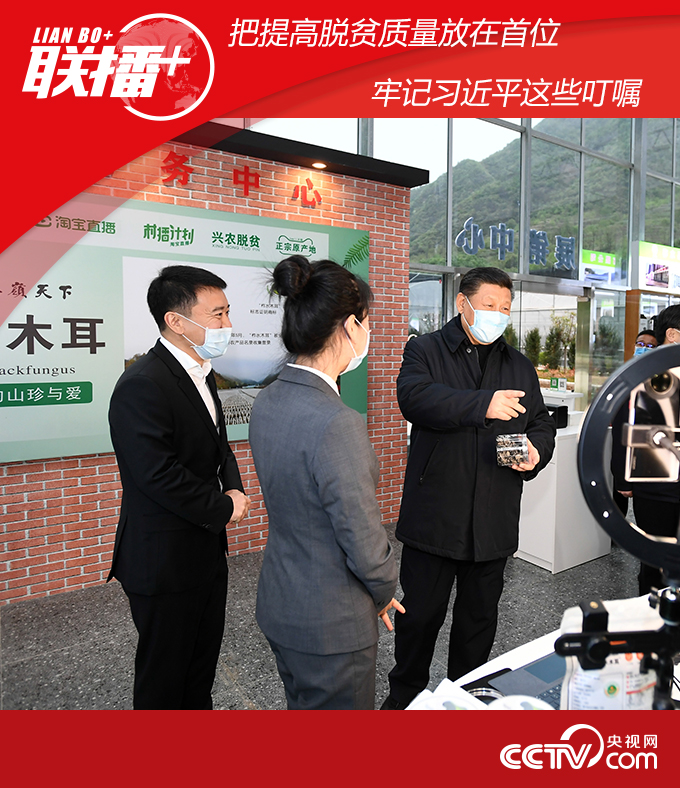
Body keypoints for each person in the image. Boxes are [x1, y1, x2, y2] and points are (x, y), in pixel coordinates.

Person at [382, 266, 556, 709]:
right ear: (463, 304)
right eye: (489, 305)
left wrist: (536, 450)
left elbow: (540, 423)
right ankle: (403, 700)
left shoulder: (518, 364)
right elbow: (414, 399)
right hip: (435, 517)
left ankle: (464, 701)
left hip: (493, 518)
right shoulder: (425, 349)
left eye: (505, 308)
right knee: (419, 620)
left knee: (478, 623)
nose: (498, 315)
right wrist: (483, 404)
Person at [249, 255, 402, 710]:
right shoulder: (338, 422)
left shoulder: (268, 398)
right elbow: (361, 534)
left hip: (282, 601)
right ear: (351, 326)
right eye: (367, 322)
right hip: (331, 624)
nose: (368, 332)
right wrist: (385, 590)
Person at [108, 265, 250, 709]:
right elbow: (157, 475)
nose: (227, 324)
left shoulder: (202, 372)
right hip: (163, 561)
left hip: (205, 551)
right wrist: (223, 507)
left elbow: (220, 446)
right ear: (176, 321)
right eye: (217, 314)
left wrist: (236, 490)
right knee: (164, 680)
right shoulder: (142, 384)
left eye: (227, 312)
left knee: (199, 669)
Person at [612, 307, 680, 594]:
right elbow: (623, 424)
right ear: (673, 334)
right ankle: (651, 610)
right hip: (654, 484)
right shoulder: (643, 371)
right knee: (654, 559)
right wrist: (623, 478)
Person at [611, 329, 659, 516]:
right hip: (629, 468)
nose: (643, 348)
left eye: (650, 346)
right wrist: (622, 479)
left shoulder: (662, 382)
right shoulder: (627, 379)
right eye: (640, 344)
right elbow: (621, 433)